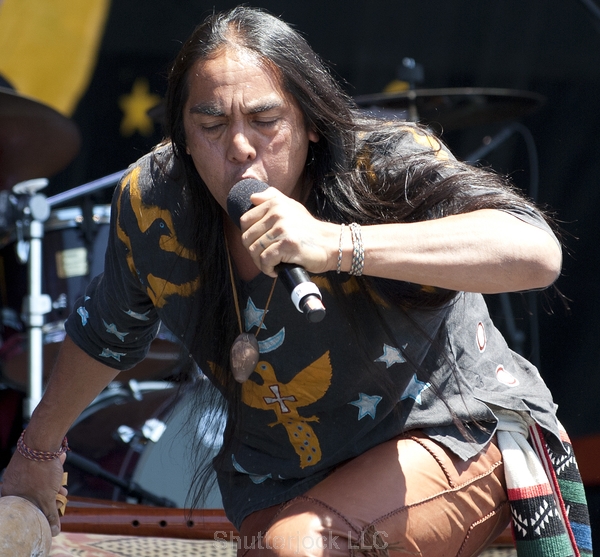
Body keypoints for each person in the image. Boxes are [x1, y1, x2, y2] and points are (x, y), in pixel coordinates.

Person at [0, 6, 593, 557]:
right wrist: (37, 449)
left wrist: (337, 245)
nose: (240, 147)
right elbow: (106, 331)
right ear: (180, 135)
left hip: (455, 432)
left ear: (310, 122)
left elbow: (536, 251)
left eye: (265, 121)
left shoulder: (381, 162)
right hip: (279, 477)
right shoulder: (155, 201)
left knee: (299, 545)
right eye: (210, 124)